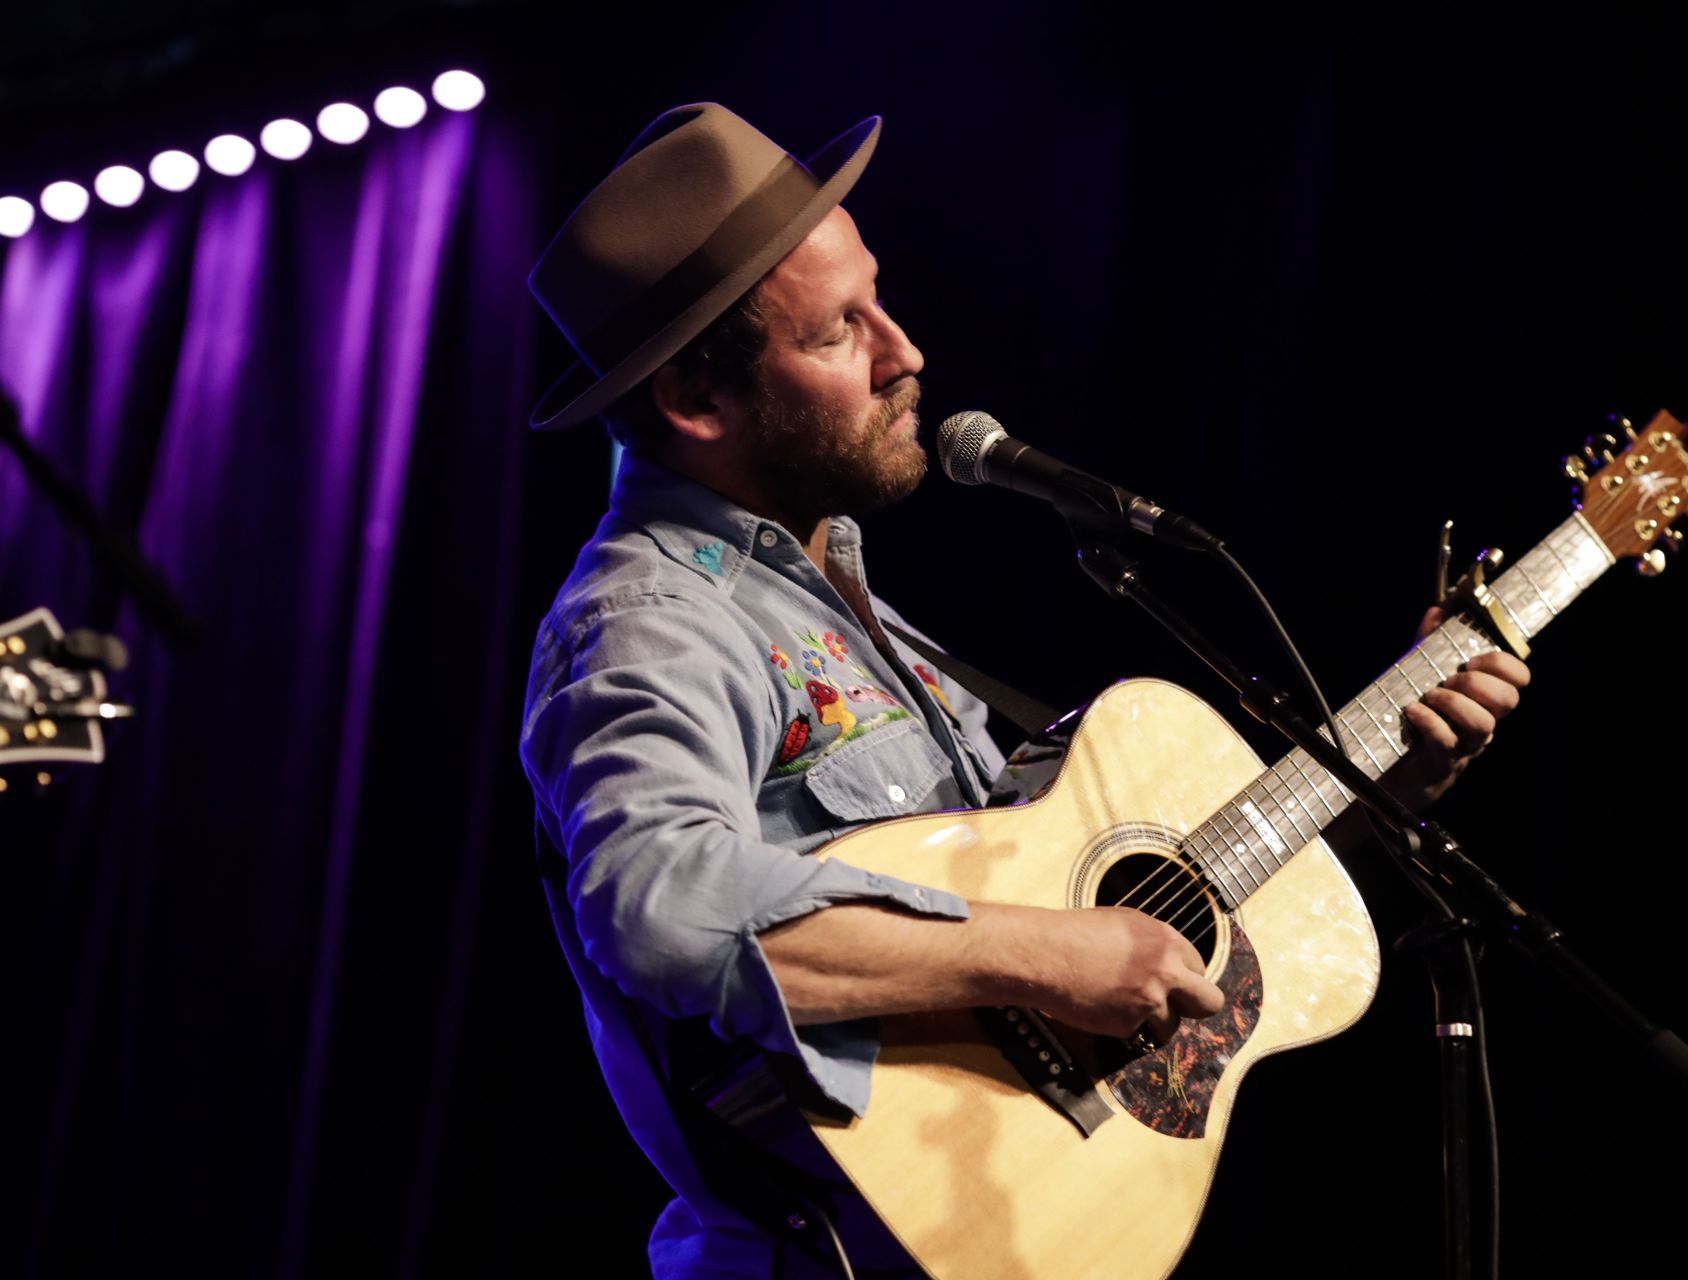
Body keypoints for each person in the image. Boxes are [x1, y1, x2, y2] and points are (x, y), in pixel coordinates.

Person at [519, 103, 1530, 1278]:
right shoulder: (652, 618)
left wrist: (1371, 777)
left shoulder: (835, 597)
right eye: (842, 331)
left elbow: (1114, 900)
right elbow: (660, 905)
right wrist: (1045, 955)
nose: (907, 353)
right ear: (696, 400)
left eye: (880, 299)